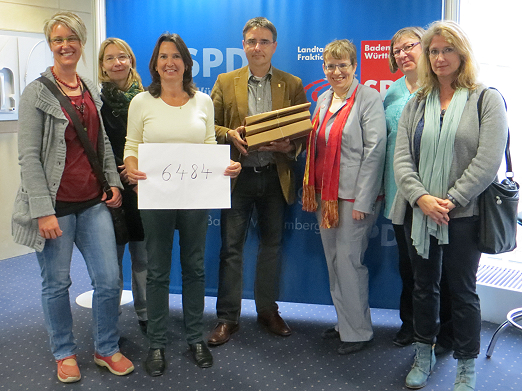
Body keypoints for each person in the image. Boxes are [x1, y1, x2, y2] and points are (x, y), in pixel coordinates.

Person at [12, 11, 134, 383]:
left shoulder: (90, 89)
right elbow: (28, 157)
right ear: (51, 45)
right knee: (57, 283)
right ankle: (64, 352)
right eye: (57, 39)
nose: (65, 45)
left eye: (71, 38)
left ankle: (106, 347)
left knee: (110, 280)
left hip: (94, 202)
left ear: (81, 43)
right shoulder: (36, 92)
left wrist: (112, 181)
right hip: (55, 207)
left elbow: (101, 148)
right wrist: (42, 211)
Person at [392, 21, 508, 391]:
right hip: (421, 212)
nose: (440, 58)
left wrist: (451, 200)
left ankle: (466, 366)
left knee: (462, 292)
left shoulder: (485, 98)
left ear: (462, 53)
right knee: (423, 288)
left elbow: (488, 161)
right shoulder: (417, 101)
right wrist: (422, 198)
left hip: (464, 215)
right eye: (434, 51)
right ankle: (423, 355)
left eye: (448, 50)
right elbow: (402, 160)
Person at [124, 33, 241, 376]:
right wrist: (131, 166)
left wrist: (226, 168)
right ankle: (156, 343)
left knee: (194, 268)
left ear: (187, 63)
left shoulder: (202, 102)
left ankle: (195, 337)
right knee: (158, 271)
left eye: (176, 56)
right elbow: (132, 145)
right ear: (155, 63)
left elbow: (207, 145)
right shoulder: (142, 102)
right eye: (163, 56)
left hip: (195, 197)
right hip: (155, 197)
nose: (169, 62)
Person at [207, 16, 307, 347]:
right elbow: (212, 127)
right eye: (252, 41)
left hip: (275, 178)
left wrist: (289, 146)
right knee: (231, 250)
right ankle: (227, 318)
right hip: (239, 178)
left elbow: (303, 133)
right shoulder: (225, 81)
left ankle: (267, 311)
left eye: (264, 41)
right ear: (243, 45)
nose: (257, 47)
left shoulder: (291, 83)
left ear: (274, 47)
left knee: (271, 248)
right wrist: (229, 135)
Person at [301, 39, 386, 355]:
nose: (337, 71)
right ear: (323, 68)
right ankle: (345, 323)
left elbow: (375, 151)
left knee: (350, 263)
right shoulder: (323, 99)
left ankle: (359, 332)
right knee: (335, 262)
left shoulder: (368, 98)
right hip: (327, 197)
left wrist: (364, 201)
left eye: (343, 65)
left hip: (354, 199)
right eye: (330, 66)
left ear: (355, 66)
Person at [384, 27, 454, 352]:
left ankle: (444, 331)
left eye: (409, 46)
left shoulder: (439, 90)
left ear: (424, 49)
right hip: (400, 194)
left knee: (443, 268)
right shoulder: (391, 94)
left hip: (439, 196)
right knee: (408, 264)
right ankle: (410, 324)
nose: (403, 54)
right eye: (397, 50)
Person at [98, 37, 148, 334]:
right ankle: (110, 318)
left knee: (142, 257)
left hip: (141, 185)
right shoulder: (94, 100)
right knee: (111, 261)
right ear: (102, 66)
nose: (117, 63)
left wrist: (135, 169)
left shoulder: (147, 98)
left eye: (122, 57)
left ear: (131, 60)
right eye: (110, 58)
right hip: (109, 189)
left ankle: (145, 312)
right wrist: (113, 177)